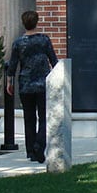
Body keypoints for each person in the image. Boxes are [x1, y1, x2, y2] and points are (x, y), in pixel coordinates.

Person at [5, 10, 59, 163]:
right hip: (43, 84)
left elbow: (13, 65)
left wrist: (10, 82)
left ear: (23, 23)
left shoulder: (18, 43)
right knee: (44, 117)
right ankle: (39, 145)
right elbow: (54, 61)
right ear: (37, 21)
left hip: (25, 85)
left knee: (29, 118)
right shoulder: (44, 40)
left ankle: (30, 152)